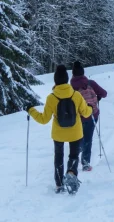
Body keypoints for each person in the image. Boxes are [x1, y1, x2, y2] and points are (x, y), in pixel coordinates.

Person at [26, 65, 92, 194]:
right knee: (73, 156)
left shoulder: (51, 98)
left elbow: (43, 119)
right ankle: (71, 173)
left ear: (55, 81)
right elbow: (85, 113)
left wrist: (31, 110)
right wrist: (89, 106)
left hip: (58, 134)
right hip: (75, 133)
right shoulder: (76, 95)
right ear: (67, 80)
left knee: (58, 157)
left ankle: (59, 185)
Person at [71, 61, 107, 172]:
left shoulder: (71, 87)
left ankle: (77, 153)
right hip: (92, 115)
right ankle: (86, 164)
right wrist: (98, 97)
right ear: (83, 73)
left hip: (78, 117)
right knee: (88, 139)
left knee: (79, 138)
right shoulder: (90, 83)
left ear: (73, 74)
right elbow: (104, 93)